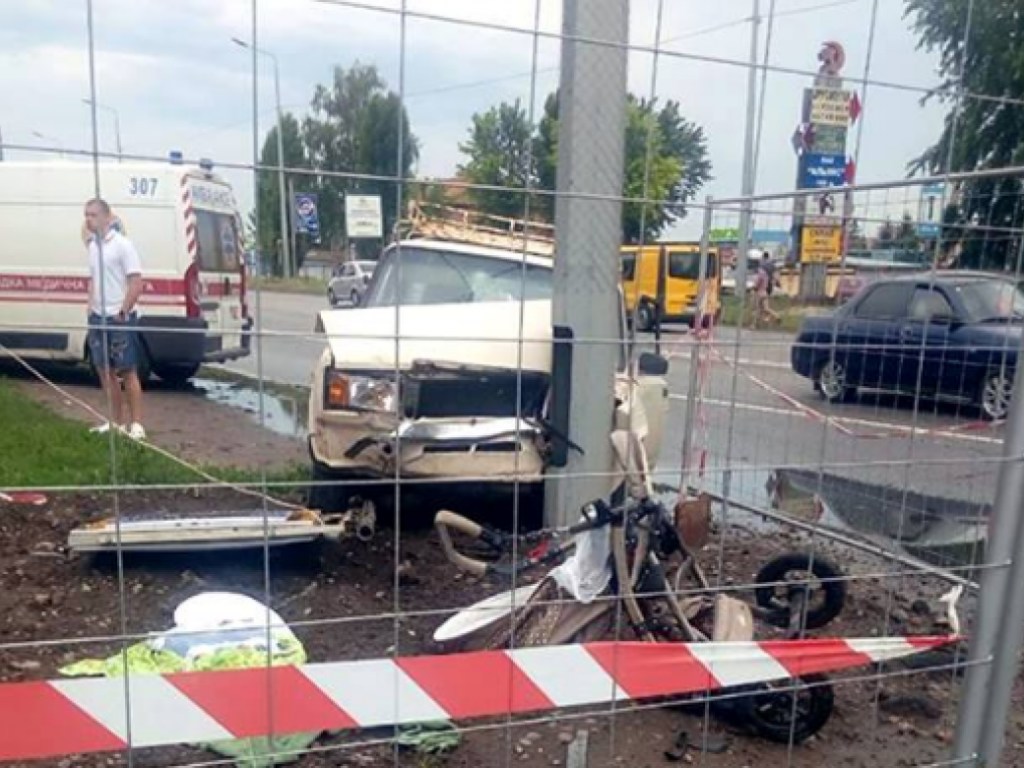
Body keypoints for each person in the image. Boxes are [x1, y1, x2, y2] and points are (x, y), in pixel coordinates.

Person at [84, 198, 146, 440]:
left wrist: (124, 310)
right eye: (86, 215)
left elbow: (135, 281)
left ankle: (137, 424)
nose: (88, 219)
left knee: (128, 369)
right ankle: (115, 422)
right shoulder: (92, 246)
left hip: (119, 316)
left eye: (93, 215)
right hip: (98, 316)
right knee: (104, 370)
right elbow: (93, 280)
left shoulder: (123, 245)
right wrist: (90, 308)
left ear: (106, 217)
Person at [751, 253, 780, 329]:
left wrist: (754, 288)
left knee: (757, 309)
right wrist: (776, 284)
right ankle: (776, 316)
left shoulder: (760, 273)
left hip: (759, 293)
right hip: (765, 291)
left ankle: (754, 325)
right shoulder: (768, 271)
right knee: (766, 308)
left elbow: (757, 283)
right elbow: (775, 277)